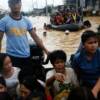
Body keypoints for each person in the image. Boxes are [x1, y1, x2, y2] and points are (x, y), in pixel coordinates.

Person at [0, 0, 48, 71]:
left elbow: (35, 37)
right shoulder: (4, 21)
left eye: (17, 3)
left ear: (20, 4)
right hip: (12, 57)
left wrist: (46, 51)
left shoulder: (26, 20)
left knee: (27, 78)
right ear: (9, 4)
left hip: (26, 56)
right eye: (13, 3)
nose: (15, 5)